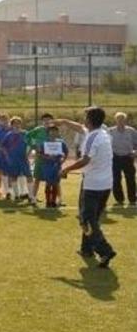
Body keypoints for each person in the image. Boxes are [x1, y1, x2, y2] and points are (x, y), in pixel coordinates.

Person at [58, 107, 117, 268]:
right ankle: (86, 249)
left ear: (90, 120)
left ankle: (105, 250)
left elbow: (85, 160)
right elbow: (79, 127)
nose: (83, 121)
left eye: (85, 117)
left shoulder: (92, 138)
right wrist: (63, 121)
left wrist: (66, 169)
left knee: (86, 220)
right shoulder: (102, 133)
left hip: (93, 185)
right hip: (105, 184)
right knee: (92, 218)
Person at [109, 112, 137, 207]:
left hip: (128, 157)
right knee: (116, 180)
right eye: (118, 119)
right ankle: (119, 200)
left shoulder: (131, 131)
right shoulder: (110, 131)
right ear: (115, 120)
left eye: (122, 119)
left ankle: (133, 200)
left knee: (131, 179)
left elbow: (136, 144)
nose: (120, 121)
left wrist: (135, 152)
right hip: (114, 157)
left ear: (125, 120)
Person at [2, 117, 32, 203]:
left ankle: (30, 196)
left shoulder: (25, 133)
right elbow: (3, 147)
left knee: (29, 176)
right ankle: (16, 195)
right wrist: (7, 156)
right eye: (14, 123)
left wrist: (28, 154)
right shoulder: (8, 135)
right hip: (13, 159)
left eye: (18, 123)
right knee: (13, 177)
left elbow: (31, 144)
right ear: (11, 125)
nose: (16, 125)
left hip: (23, 159)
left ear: (21, 124)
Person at [26, 113, 54, 204]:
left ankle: (50, 200)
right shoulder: (38, 130)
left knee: (50, 180)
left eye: (49, 120)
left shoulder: (54, 130)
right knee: (37, 178)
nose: (47, 122)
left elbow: (59, 141)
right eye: (45, 120)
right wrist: (33, 146)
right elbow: (27, 136)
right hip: (40, 158)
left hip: (51, 159)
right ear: (42, 121)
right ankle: (33, 198)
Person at [39, 125, 67, 208]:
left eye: (55, 131)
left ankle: (53, 202)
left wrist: (63, 160)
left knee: (55, 183)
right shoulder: (44, 143)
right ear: (48, 133)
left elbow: (66, 153)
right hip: (47, 166)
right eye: (51, 131)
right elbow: (39, 154)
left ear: (58, 132)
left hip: (57, 165)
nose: (53, 133)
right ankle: (48, 201)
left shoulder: (61, 143)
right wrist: (47, 157)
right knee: (48, 184)